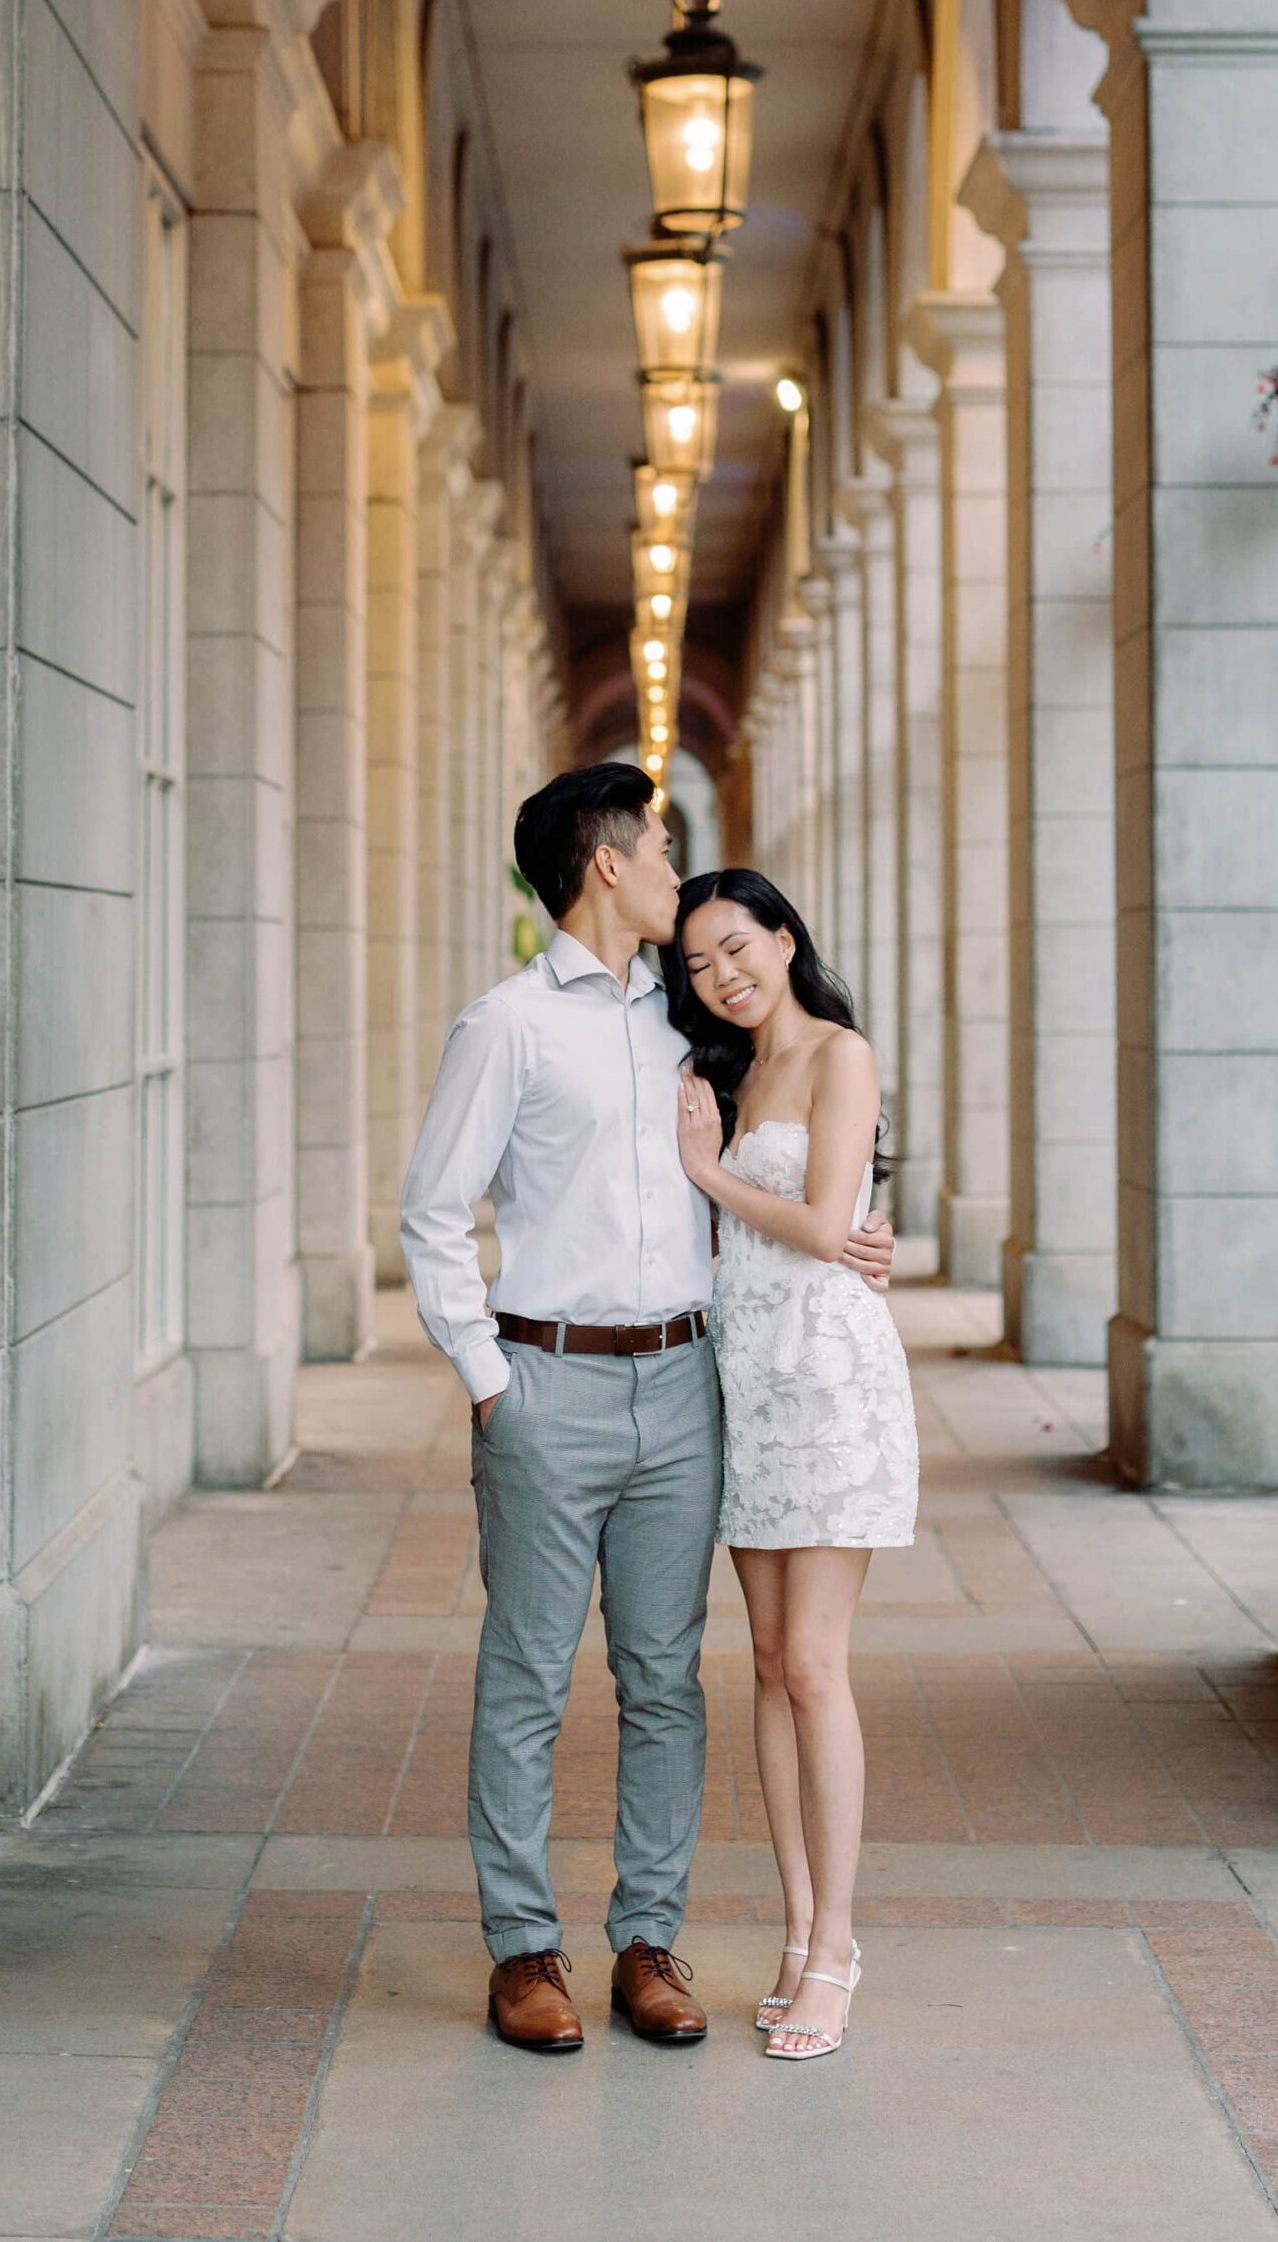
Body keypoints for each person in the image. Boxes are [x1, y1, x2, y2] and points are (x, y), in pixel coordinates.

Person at [399, 766, 896, 2055]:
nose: (677, 865)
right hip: (545, 1377)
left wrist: (853, 1237)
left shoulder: (692, 1021)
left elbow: (791, 1150)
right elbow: (433, 1212)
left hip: (689, 1381)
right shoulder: (503, 1024)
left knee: (664, 1681)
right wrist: (490, 1379)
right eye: (660, 845)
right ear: (605, 863)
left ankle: (647, 1941)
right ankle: (522, 1951)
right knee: (524, 1677)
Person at [665, 868, 919, 2063]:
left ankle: (839, 1949)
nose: (723, 974)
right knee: (763, 1662)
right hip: (745, 1383)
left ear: (782, 935)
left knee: (815, 1662)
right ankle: (795, 1927)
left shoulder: (836, 1053)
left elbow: (827, 1226)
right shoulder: (726, 1068)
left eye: (737, 946)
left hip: (824, 1380)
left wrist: (712, 1176)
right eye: (699, 962)